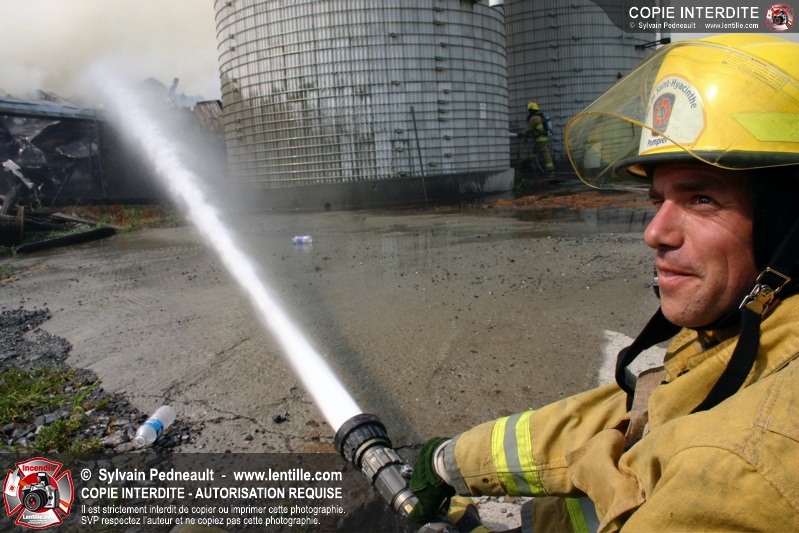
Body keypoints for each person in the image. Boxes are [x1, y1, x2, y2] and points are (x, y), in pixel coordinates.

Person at [408, 34, 799, 532]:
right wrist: (453, 460)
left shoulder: (747, 469)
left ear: (787, 225)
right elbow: (644, 408)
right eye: (657, 200)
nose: (654, 233)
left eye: (701, 199)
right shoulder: (747, 331)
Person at [518, 101, 555, 175]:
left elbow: (528, 129)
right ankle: (533, 166)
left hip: (540, 138)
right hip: (539, 138)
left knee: (544, 152)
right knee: (533, 152)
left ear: (531, 110)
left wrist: (521, 134)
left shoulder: (534, 118)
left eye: (529, 110)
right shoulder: (539, 117)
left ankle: (550, 170)